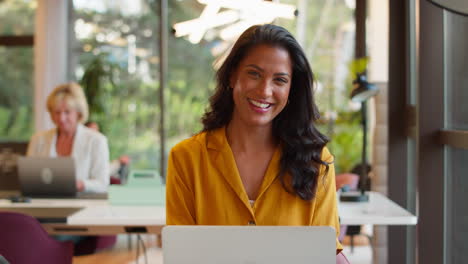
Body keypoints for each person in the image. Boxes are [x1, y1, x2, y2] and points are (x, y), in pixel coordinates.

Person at [166, 24, 343, 253]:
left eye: (279, 80)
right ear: (232, 76)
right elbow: (181, 252)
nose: (264, 91)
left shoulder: (316, 161)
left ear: (292, 89)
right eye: (254, 74)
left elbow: (325, 252)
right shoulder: (186, 158)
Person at [27, 83, 110, 193]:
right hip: (44, 203)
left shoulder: (97, 141)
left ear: (78, 113)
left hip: (83, 204)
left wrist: (82, 184)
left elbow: (103, 184)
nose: (61, 118)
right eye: (57, 112)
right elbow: (28, 179)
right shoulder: (38, 140)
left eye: (67, 112)